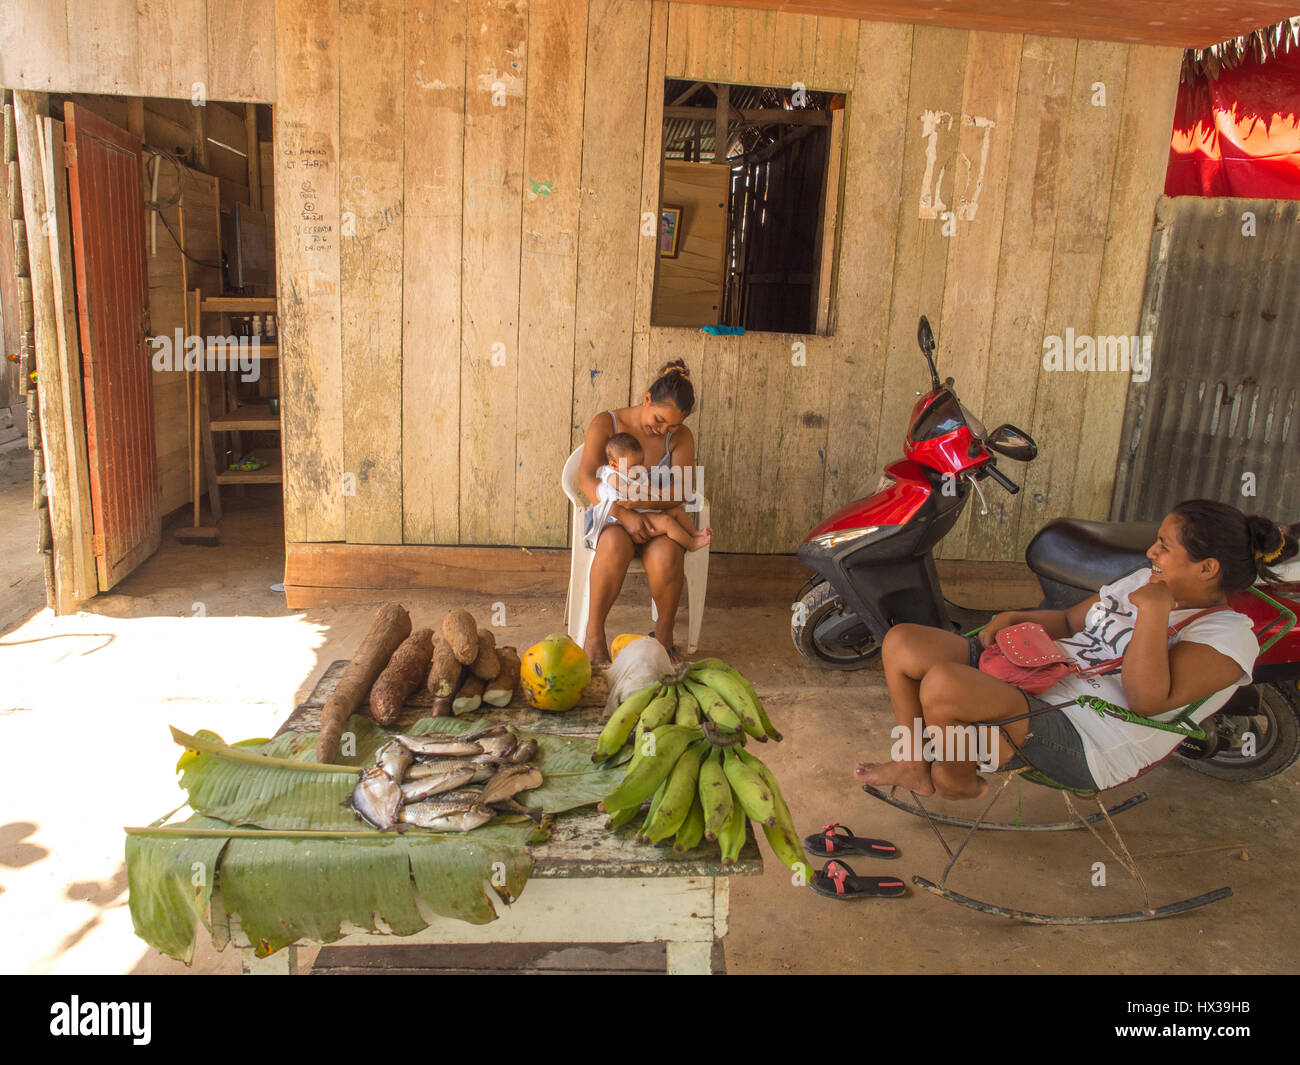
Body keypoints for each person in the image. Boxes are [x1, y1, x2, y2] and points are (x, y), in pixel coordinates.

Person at [855, 500, 1298, 799]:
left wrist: (1154, 614)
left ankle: (955, 780)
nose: (1151, 552)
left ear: (1207, 568)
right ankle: (915, 764)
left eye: (1164, 546)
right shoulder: (1145, 581)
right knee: (904, 643)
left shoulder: (1226, 637)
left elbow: (1145, 702)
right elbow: (1070, 621)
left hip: (1088, 738)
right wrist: (1015, 617)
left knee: (944, 685)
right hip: (1041, 678)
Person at [579, 360, 708, 666]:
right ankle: (594, 636)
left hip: (656, 521)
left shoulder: (680, 437)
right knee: (613, 545)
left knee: (667, 555)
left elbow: (683, 491)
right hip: (614, 518)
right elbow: (586, 479)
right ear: (647, 398)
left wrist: (643, 508)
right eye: (659, 419)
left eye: (672, 425)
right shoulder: (606, 423)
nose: (662, 429)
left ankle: (663, 637)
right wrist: (625, 514)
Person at [586, 432, 712, 554]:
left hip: (641, 509)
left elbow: (648, 486)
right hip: (622, 519)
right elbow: (628, 489)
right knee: (667, 521)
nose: (639, 468)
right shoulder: (612, 476)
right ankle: (691, 544)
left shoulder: (637, 471)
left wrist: (656, 493)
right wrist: (650, 491)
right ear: (614, 464)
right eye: (633, 466)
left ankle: (694, 533)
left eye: (641, 462)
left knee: (676, 511)